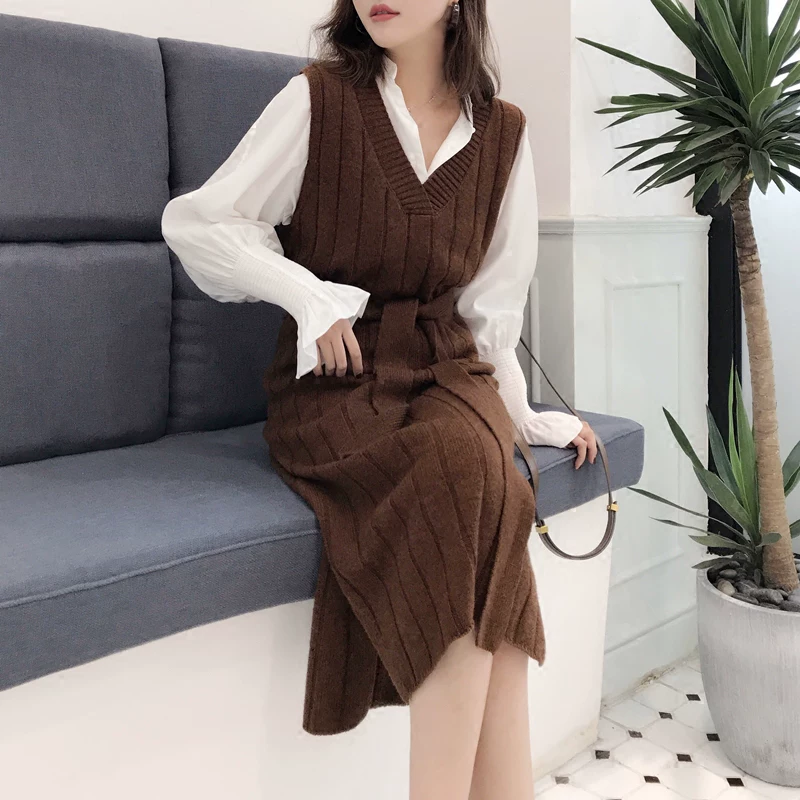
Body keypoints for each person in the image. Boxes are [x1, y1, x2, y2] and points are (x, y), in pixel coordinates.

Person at [162, 1, 598, 797]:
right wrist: (307, 295)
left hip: (448, 373)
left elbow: (492, 313)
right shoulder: (319, 100)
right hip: (336, 388)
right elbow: (200, 223)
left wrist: (526, 417)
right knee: (470, 474)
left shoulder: (504, 134)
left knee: (499, 482)